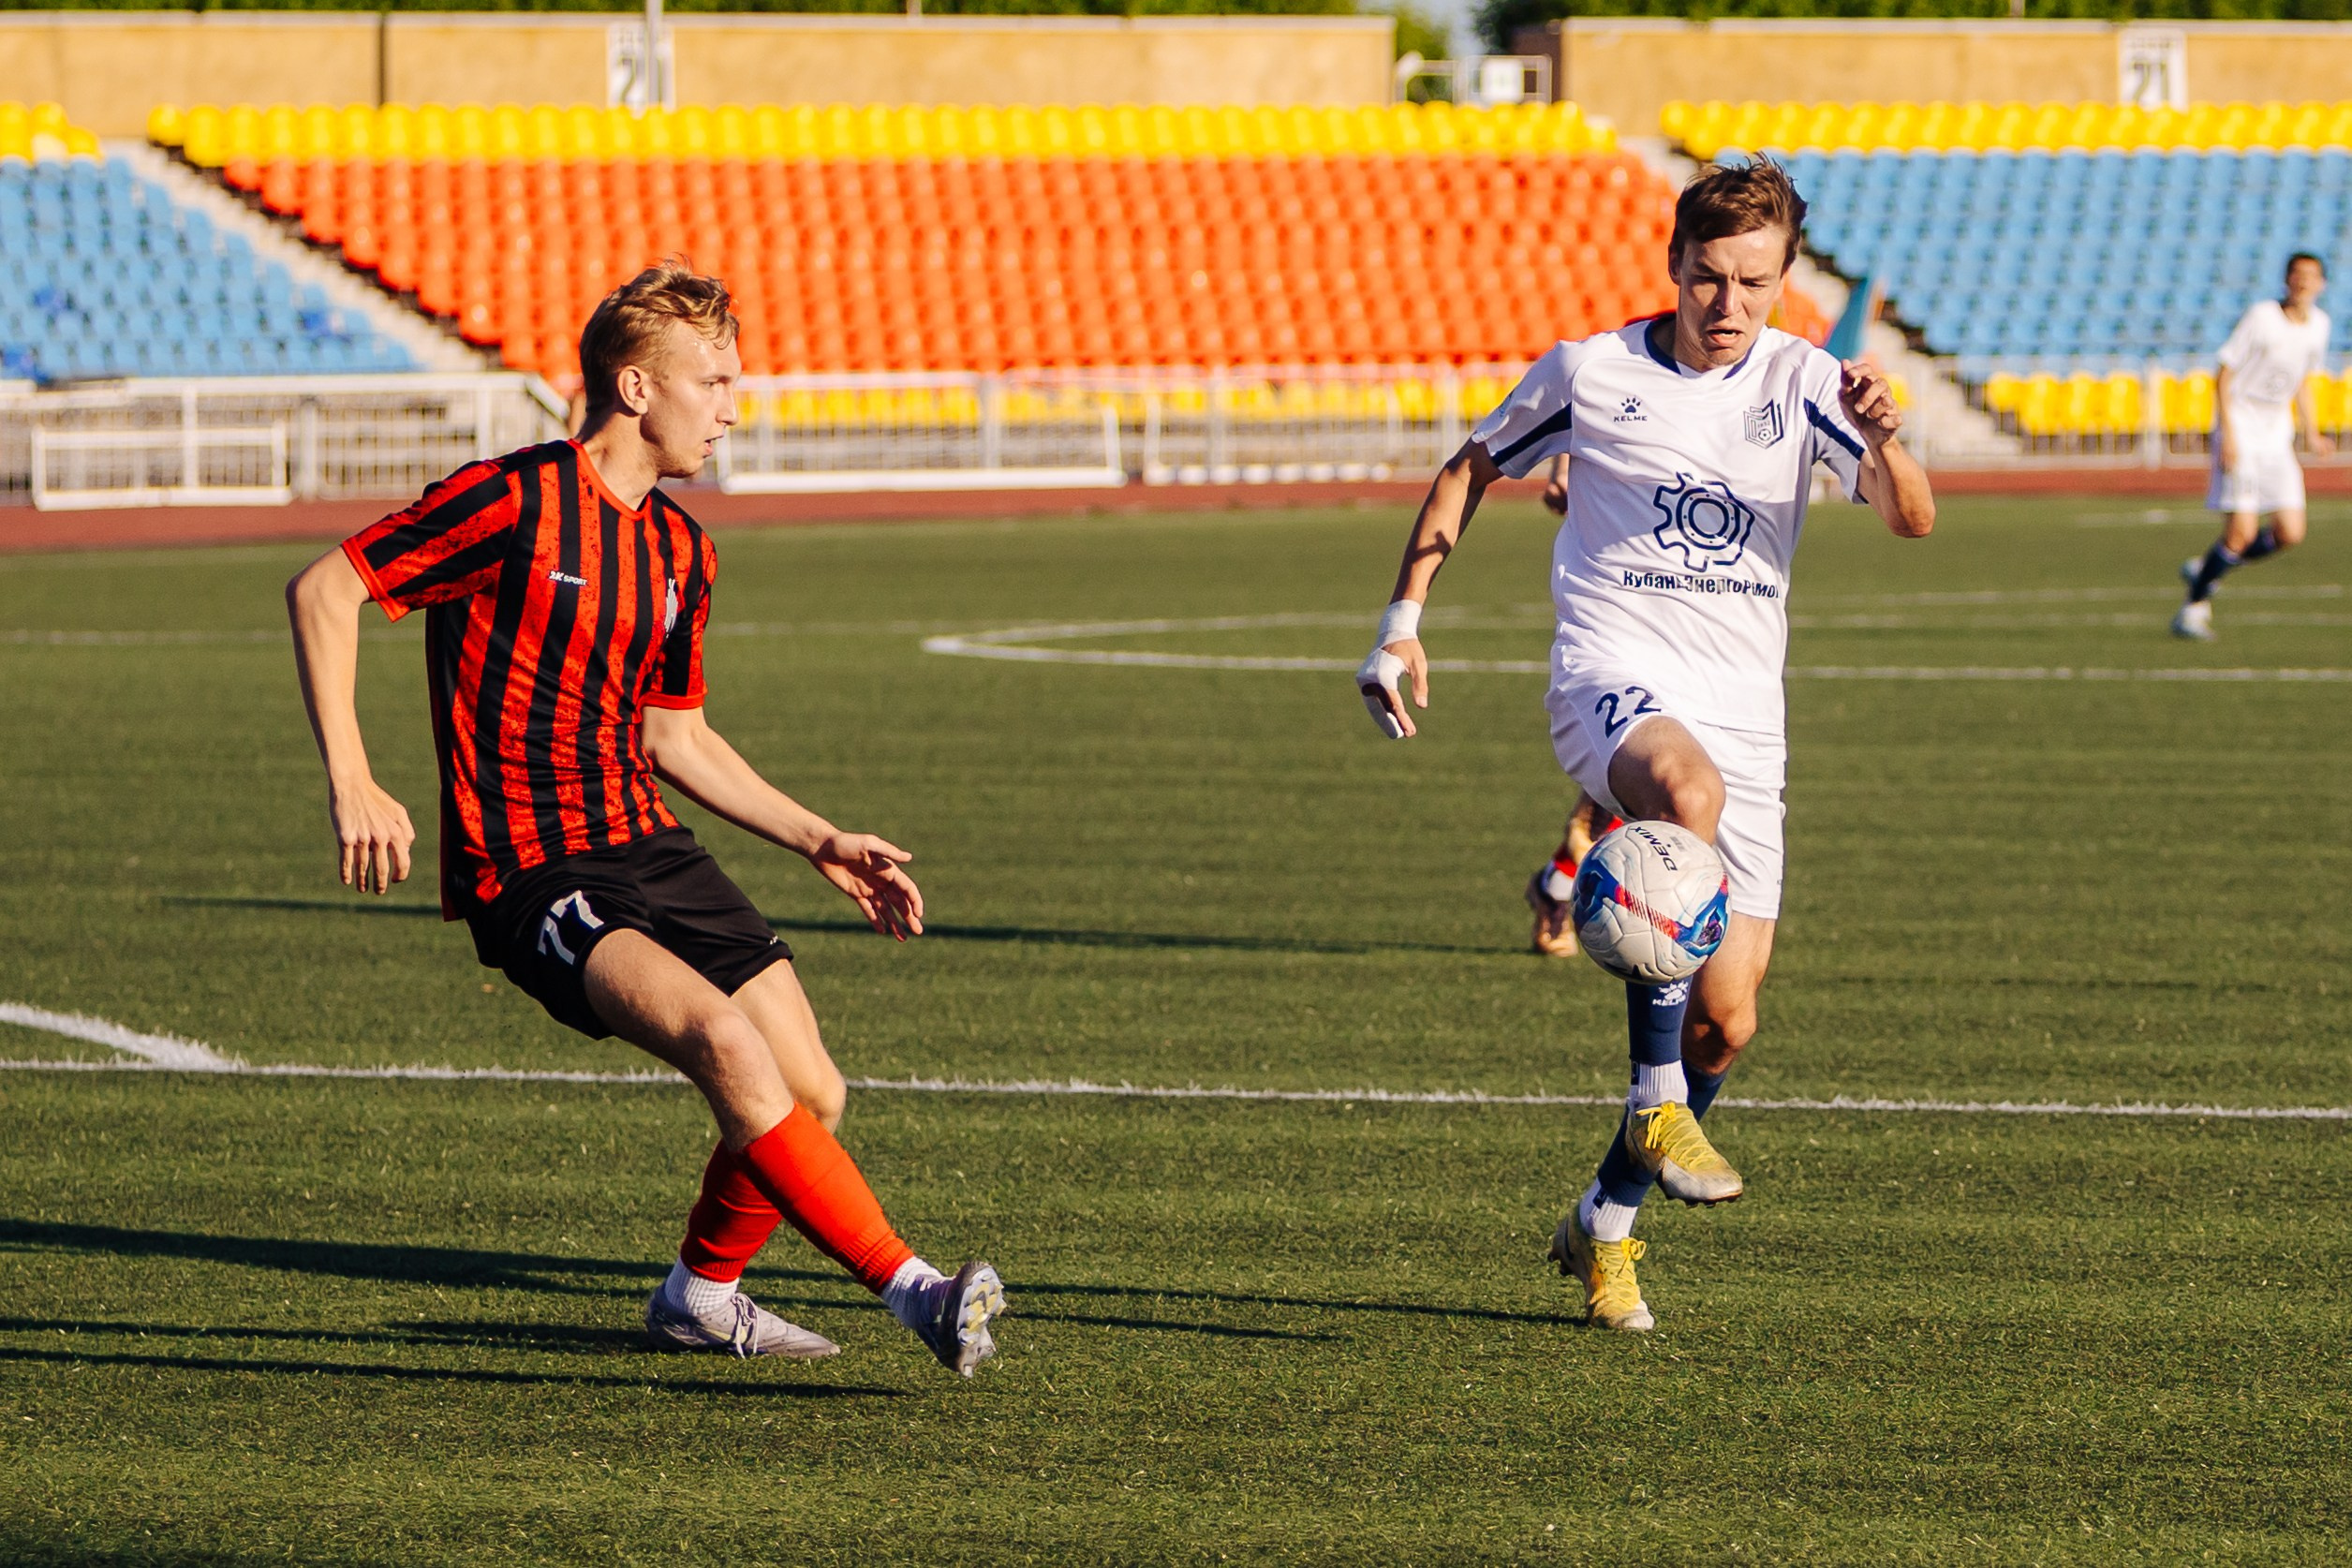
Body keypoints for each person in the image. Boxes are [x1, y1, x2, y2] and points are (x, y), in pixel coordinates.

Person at [285, 262, 1007, 1377]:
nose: (732, 408)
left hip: (642, 839)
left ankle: (699, 1296)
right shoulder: (514, 499)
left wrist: (820, 837)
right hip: (527, 867)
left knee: (813, 1088)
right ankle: (915, 1292)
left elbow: (676, 738)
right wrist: (352, 776)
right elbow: (327, 588)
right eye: (713, 382)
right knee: (726, 1043)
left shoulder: (681, 551)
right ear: (634, 387)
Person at [1356, 159, 1935, 1331]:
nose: (1730, 306)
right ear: (1674, 265)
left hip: (1747, 717)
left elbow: (1912, 518)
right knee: (1684, 788)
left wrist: (1884, 440)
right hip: (1610, 680)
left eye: (1757, 285)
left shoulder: (1806, 380)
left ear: (1783, 283)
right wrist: (1401, 623)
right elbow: (1471, 465)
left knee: (1734, 1018)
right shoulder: (1594, 371)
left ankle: (1604, 1226)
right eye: (1711, 278)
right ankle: (1655, 1096)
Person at [2175, 253, 2334, 642]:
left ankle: (2209, 567)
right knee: (2241, 533)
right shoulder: (2262, 317)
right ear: (2286, 281)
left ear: (2322, 285)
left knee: (2290, 532)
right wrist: (2228, 433)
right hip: (2242, 428)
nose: (2303, 283)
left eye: (2311, 277)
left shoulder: (2319, 326)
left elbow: (2302, 379)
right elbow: (2223, 374)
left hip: (2276, 434)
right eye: (2296, 275)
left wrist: (2311, 432)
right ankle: (2193, 608)